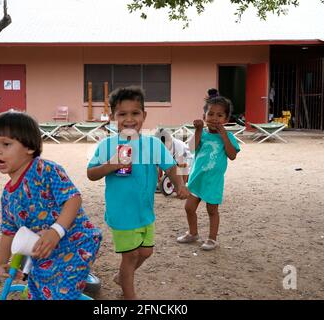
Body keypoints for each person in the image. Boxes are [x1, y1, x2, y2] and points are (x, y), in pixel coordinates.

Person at [87, 86, 189, 300]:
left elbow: (171, 167)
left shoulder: (153, 144)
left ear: (144, 115)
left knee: (146, 252)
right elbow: (91, 173)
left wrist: (179, 185)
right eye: (122, 114)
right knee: (130, 256)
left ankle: (122, 276)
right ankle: (129, 295)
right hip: (122, 214)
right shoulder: (107, 145)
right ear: (113, 117)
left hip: (145, 212)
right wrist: (110, 165)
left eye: (135, 113)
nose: (129, 119)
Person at [0, 111, 102, 300]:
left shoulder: (45, 170)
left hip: (75, 243)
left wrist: (56, 230)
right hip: (42, 252)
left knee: (59, 294)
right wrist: (1, 262)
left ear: (30, 147)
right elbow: (9, 231)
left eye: (6, 144)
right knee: (37, 292)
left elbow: (73, 199)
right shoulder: (8, 195)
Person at [177, 88, 240, 251]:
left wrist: (224, 134)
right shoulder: (202, 134)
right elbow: (191, 149)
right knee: (188, 208)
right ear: (204, 116)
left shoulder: (229, 137)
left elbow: (232, 155)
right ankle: (193, 233)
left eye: (220, 115)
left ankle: (212, 239)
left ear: (226, 119)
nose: (214, 118)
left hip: (213, 181)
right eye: (211, 114)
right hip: (197, 178)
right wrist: (197, 130)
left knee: (212, 210)